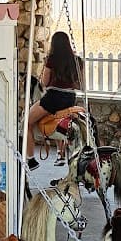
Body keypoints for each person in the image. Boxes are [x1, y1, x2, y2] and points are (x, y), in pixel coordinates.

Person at [25, 30, 84, 169]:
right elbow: (81, 85)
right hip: (70, 98)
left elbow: (44, 82)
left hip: (53, 97)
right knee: (56, 120)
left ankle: (30, 159)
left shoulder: (51, 60)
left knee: (27, 121)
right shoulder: (77, 61)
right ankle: (60, 153)